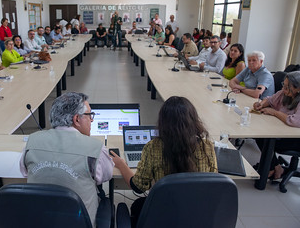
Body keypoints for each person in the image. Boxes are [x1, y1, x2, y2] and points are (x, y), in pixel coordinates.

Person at [110, 96, 217, 225]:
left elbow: (138, 187)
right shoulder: (207, 146)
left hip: (163, 212)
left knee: (138, 204)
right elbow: (213, 181)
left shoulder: (153, 147)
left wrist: (122, 165)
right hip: (197, 213)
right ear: (193, 119)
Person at [20, 92, 114, 226]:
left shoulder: (32, 141)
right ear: (77, 119)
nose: (92, 120)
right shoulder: (95, 148)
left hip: (39, 221)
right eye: (89, 116)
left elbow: (24, 172)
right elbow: (106, 175)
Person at [253, 71, 300, 179]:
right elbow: (270, 100)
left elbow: (294, 121)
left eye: (288, 87)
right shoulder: (284, 93)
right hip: (283, 130)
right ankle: (275, 166)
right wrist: (261, 104)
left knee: (265, 138)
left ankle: (271, 167)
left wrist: (275, 112)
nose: (284, 89)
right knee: (259, 134)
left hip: (295, 138)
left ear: (298, 89)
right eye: (284, 85)